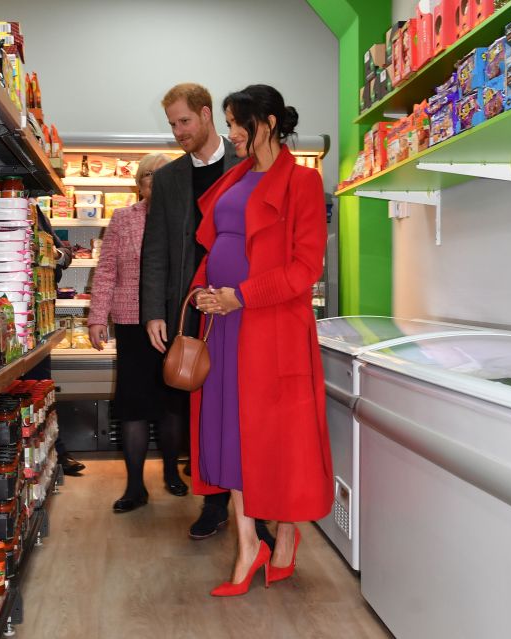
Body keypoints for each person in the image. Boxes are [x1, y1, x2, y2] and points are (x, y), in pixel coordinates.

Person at [190, 84, 332, 596]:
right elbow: (217, 244)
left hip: (272, 330)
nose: (229, 133)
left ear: (266, 123)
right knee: (229, 434)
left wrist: (241, 296)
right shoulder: (235, 178)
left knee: (279, 440)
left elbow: (304, 269)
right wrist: (204, 290)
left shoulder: (303, 183)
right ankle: (250, 544)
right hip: (226, 325)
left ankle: (286, 537)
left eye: (235, 123)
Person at [140, 83, 244, 539]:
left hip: (242, 305)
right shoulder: (167, 179)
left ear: (206, 115)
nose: (178, 131)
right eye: (172, 125)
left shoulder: (247, 164)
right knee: (200, 408)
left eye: (184, 121)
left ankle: (251, 508)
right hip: (192, 311)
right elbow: (156, 249)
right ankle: (214, 503)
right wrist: (154, 311)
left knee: (240, 406)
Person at [88, 153, 188, 512]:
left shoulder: (185, 219)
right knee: (133, 407)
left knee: (172, 404)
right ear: (139, 183)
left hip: (174, 322)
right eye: (149, 176)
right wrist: (97, 317)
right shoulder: (123, 219)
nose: (155, 182)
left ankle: (172, 473)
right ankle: (134, 487)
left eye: (163, 176)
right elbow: (105, 272)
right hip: (131, 323)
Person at [26, 206, 84, 477]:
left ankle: (53, 452)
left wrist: (55, 254)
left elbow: (65, 254)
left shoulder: (36, 213)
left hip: (37, 315)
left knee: (40, 385)